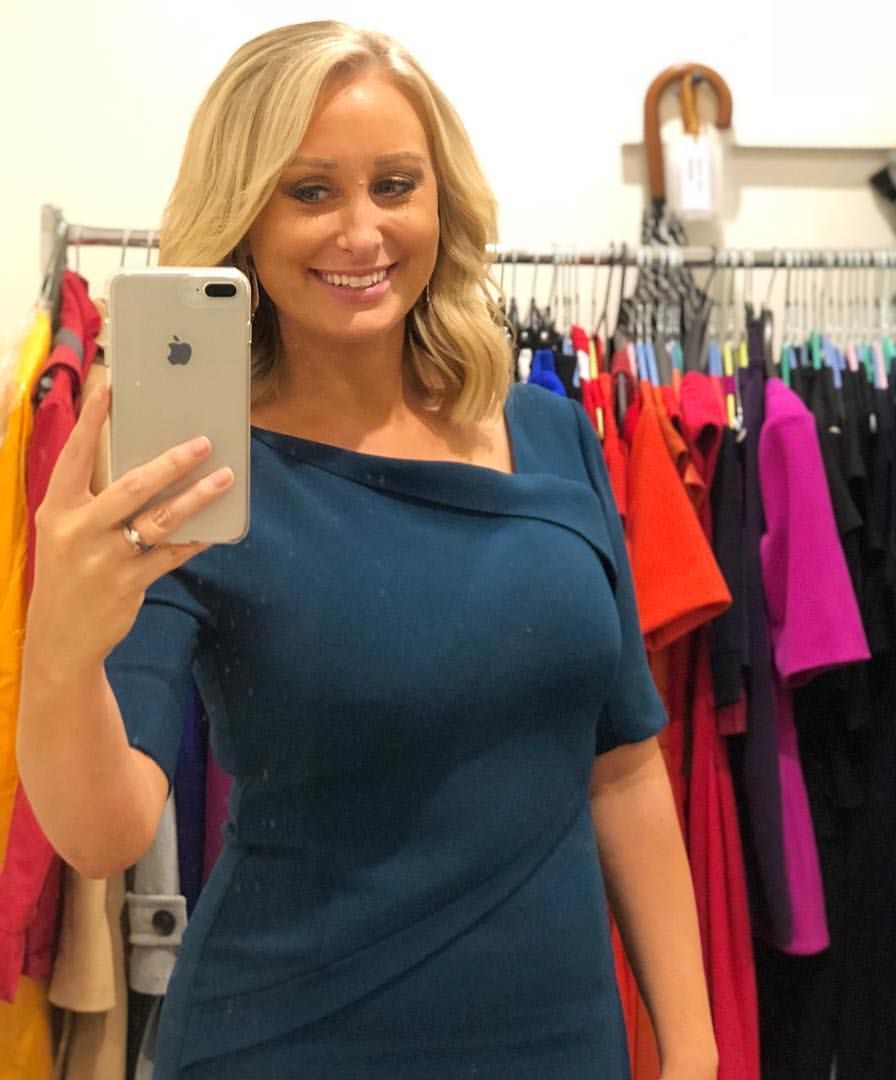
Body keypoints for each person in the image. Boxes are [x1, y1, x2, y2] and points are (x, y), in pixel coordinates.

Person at [18, 21, 717, 1080]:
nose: (361, 231)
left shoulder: (551, 433)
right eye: (309, 192)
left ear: (442, 199)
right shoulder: (198, 476)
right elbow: (104, 831)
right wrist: (60, 648)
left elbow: (622, 767)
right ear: (245, 217)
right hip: (285, 1042)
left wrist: (695, 1049)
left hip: (562, 1045)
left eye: (395, 184)